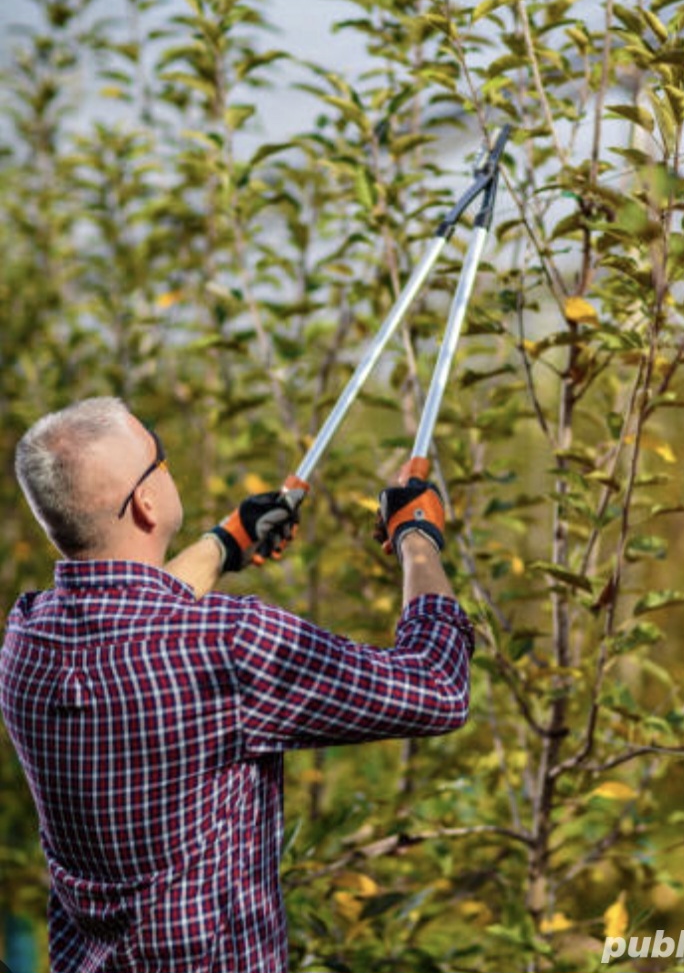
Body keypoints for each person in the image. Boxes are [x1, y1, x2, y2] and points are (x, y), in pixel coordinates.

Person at [0, 397, 473, 973]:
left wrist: (227, 541)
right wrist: (418, 538)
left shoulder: (27, 637)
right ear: (146, 502)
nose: (166, 463)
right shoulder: (230, 643)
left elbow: (130, 618)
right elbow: (436, 689)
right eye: (161, 458)